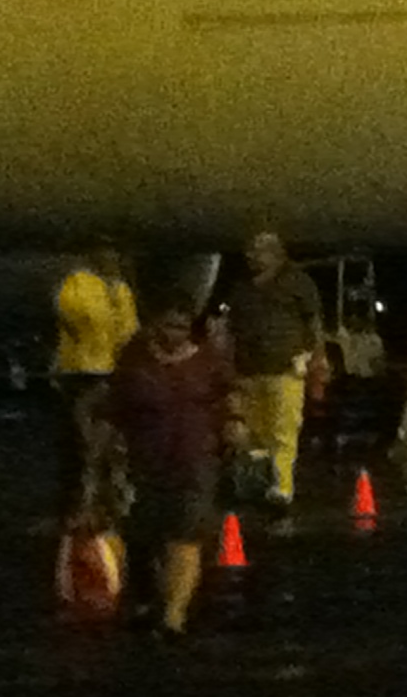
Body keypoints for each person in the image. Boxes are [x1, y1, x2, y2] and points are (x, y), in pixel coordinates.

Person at [100, 299, 234, 635]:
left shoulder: (208, 361)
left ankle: (174, 615)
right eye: (168, 326)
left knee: (186, 533)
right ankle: (147, 598)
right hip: (145, 462)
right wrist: (104, 458)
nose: (174, 334)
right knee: (143, 535)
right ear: (153, 325)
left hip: (195, 460)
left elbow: (229, 397)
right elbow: (112, 408)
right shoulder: (134, 362)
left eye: (182, 327)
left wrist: (235, 425)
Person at [220, 229, 326, 511]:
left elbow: (313, 322)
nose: (249, 256)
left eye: (256, 250)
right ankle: (257, 482)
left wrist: (318, 359)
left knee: (283, 430)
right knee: (253, 432)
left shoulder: (298, 282)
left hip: (286, 369)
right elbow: (231, 330)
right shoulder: (242, 288)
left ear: (276, 253)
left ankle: (282, 486)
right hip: (249, 371)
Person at [50, 236, 138, 510]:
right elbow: (74, 316)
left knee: (110, 442)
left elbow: (129, 331)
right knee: (83, 441)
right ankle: (81, 501)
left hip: (111, 371)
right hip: (82, 371)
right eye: (105, 253)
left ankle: (109, 497)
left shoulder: (120, 290)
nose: (111, 259)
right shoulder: (78, 283)